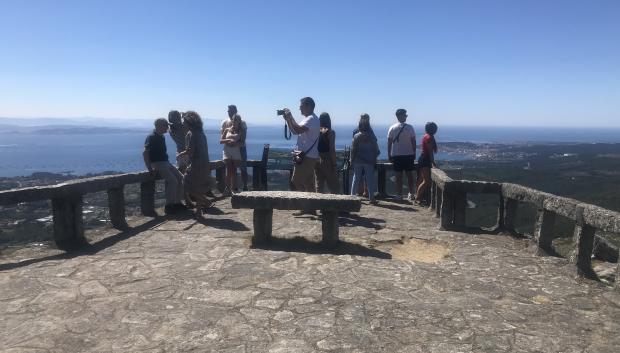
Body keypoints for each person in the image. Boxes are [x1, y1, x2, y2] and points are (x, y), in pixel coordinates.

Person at [143, 118, 186, 215]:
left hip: (165, 162)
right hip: (158, 163)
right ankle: (169, 206)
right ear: (159, 126)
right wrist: (150, 168)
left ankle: (177, 203)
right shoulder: (151, 137)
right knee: (172, 181)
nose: (168, 128)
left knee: (180, 178)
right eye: (166, 125)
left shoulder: (161, 136)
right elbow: (145, 153)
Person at [177, 111, 216, 215]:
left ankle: (206, 202)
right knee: (198, 187)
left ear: (189, 122)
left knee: (187, 185)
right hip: (204, 163)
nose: (183, 123)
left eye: (184, 121)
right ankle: (199, 211)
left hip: (196, 165)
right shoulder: (201, 133)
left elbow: (190, 151)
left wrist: (180, 154)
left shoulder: (192, 134)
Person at [282, 97, 320, 192]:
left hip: (306, 157)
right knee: (308, 183)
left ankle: (304, 203)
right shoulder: (310, 118)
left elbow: (298, 129)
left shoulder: (311, 119)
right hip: (309, 156)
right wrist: (288, 120)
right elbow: (295, 131)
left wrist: (291, 117)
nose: (299, 109)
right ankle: (311, 204)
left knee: (296, 182)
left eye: (301, 106)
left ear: (309, 106)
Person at [387, 108, 416, 201]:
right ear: (400, 116)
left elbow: (389, 142)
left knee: (399, 176)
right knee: (409, 176)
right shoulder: (410, 127)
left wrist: (389, 155)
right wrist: (414, 153)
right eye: (405, 115)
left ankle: (399, 195)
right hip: (409, 155)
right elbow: (413, 142)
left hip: (396, 155)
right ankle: (411, 194)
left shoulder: (392, 127)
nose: (406, 117)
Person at [351, 114, 379, 204]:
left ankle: (352, 197)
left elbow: (353, 149)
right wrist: (375, 157)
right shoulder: (371, 135)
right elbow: (375, 147)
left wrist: (352, 159)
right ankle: (372, 198)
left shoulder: (356, 135)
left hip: (358, 160)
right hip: (369, 160)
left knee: (356, 178)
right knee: (370, 178)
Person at [221, 105, 248, 192]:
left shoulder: (242, 122)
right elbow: (222, 137)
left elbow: (243, 139)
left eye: (231, 111)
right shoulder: (225, 122)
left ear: (236, 111)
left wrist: (235, 143)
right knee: (230, 169)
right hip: (229, 149)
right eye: (228, 111)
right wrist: (229, 142)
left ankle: (245, 187)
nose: (229, 112)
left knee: (243, 168)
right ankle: (233, 188)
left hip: (240, 148)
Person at [315, 112, 339, 193]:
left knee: (319, 185)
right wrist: (335, 165)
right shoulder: (331, 132)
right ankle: (337, 204)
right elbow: (332, 149)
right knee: (334, 185)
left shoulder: (316, 131)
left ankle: (317, 203)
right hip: (327, 160)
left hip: (317, 159)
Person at [415, 122, 438, 205]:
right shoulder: (430, 138)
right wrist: (433, 163)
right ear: (433, 129)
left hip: (422, 158)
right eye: (435, 128)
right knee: (426, 181)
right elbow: (430, 152)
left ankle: (418, 197)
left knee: (421, 180)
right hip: (425, 160)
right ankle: (417, 198)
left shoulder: (425, 136)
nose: (436, 130)